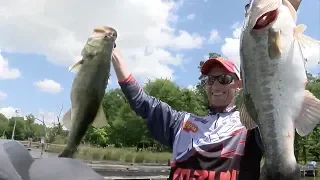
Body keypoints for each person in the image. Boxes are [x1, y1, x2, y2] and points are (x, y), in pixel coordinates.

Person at [112, 48, 263, 180]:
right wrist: (113, 52)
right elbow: (142, 102)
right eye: (210, 80)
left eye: (224, 79)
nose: (215, 85)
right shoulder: (182, 123)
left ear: (239, 85)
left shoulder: (252, 124)